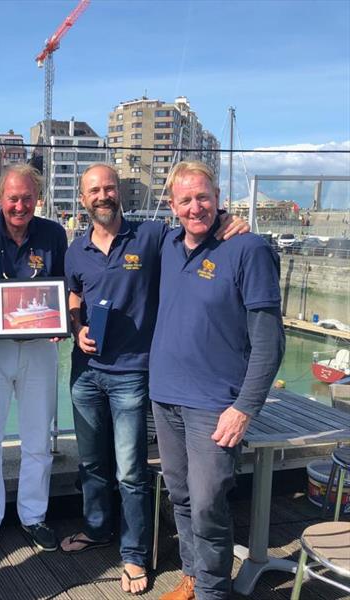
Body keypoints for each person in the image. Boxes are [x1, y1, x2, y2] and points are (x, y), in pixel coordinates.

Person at [62, 164, 249, 594]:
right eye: (94, 190)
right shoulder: (76, 250)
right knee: (92, 464)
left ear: (119, 192)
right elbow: (73, 294)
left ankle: (133, 555)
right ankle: (97, 528)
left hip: (132, 374)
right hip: (85, 372)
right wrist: (77, 328)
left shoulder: (151, 236)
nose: (103, 196)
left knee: (131, 472)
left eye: (109, 188)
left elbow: (195, 227)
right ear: (83, 198)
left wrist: (226, 220)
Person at [150, 161, 284, 600]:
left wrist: (244, 407)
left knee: (209, 504)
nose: (196, 207)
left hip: (215, 404)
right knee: (182, 497)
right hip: (165, 395)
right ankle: (193, 575)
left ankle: (213, 591)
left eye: (203, 197)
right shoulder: (169, 245)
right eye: (185, 199)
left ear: (219, 197)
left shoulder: (248, 249)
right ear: (172, 206)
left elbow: (270, 343)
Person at [0, 163, 68, 559]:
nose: (19, 205)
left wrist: (64, 318)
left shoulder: (53, 234)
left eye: (27, 198)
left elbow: (66, 287)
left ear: (37, 199)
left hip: (40, 347)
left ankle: (34, 516)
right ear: (0, 198)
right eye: (13, 198)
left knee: (38, 439)